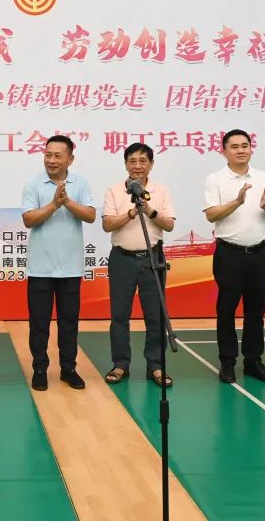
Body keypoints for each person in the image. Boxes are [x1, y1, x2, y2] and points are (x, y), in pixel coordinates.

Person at [203, 129, 265, 384]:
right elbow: (211, 215)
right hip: (229, 254)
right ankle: (228, 362)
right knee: (226, 309)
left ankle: (253, 361)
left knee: (256, 310)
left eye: (244, 145)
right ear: (224, 151)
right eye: (234, 146)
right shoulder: (215, 179)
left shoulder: (262, 176)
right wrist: (237, 202)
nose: (240, 150)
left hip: (258, 253)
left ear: (251, 148)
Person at [21, 135, 96, 391]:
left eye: (57, 156)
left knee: (69, 322)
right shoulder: (33, 183)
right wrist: (54, 204)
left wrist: (67, 202)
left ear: (70, 159)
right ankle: (40, 369)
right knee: (39, 323)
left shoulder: (81, 183)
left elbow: (90, 215)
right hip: (40, 268)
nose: (51, 160)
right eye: (48, 155)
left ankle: (68, 369)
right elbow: (28, 219)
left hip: (71, 268)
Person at [101, 143, 176, 387]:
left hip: (152, 259)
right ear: (125, 164)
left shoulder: (161, 191)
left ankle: (156, 366)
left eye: (143, 161)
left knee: (155, 316)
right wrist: (132, 213)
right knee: (119, 316)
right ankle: (120, 364)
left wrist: (150, 211)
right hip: (121, 259)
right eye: (132, 161)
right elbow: (107, 225)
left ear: (151, 164)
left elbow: (169, 225)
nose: (137, 165)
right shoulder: (114, 190)